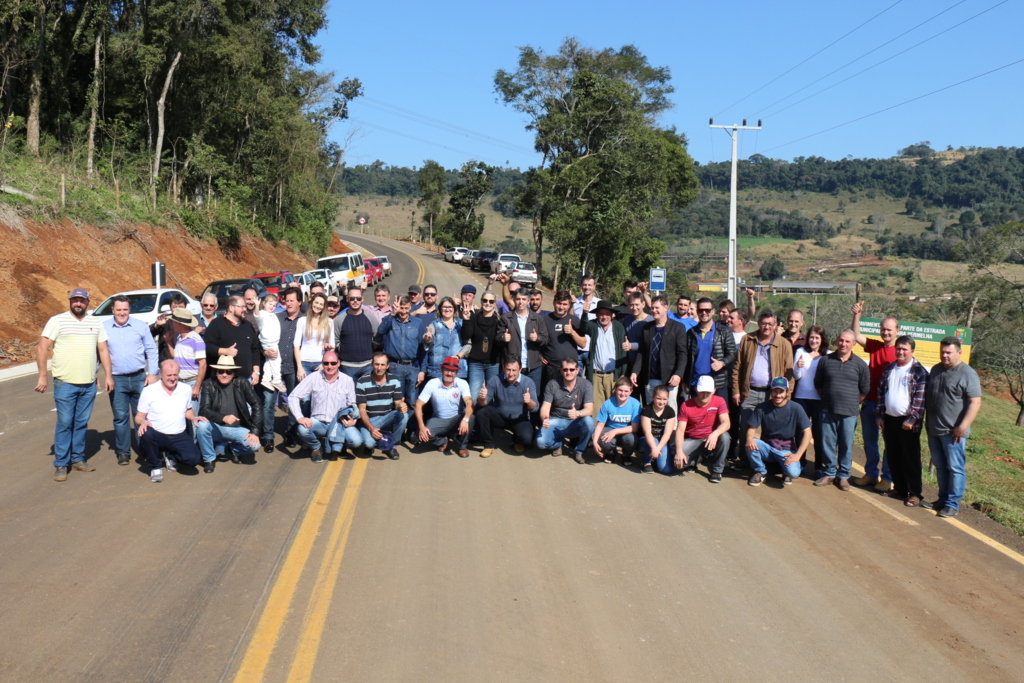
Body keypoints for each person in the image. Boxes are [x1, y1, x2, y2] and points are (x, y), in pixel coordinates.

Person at [37, 288, 114, 481]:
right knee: (65, 423)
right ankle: (61, 464)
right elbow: (42, 347)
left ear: (88, 302)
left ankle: (78, 459)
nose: (78, 303)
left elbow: (103, 350)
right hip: (65, 383)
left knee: (81, 423)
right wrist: (42, 376)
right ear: (70, 301)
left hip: (88, 384)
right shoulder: (57, 321)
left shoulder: (95, 322)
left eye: (82, 300)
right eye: (75, 300)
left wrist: (108, 376)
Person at [923, 336, 982, 518]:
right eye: (942, 352)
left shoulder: (968, 374)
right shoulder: (936, 369)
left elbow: (975, 402)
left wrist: (962, 426)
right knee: (941, 466)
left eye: (949, 352)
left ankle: (952, 504)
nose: (945, 355)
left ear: (959, 352)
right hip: (934, 429)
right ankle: (942, 499)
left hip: (954, 432)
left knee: (955, 468)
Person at [731, 309, 793, 467]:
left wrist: (787, 396)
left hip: (772, 395)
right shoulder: (747, 339)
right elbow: (737, 367)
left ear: (776, 325)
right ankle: (745, 461)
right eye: (764, 323)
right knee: (746, 428)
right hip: (750, 392)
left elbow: (789, 373)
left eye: (770, 324)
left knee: (771, 430)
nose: (767, 327)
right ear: (758, 323)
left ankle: (769, 462)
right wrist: (736, 391)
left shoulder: (784, 344)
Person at [103, 294, 159, 466]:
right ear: (112, 310)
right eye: (118, 309)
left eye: (125, 309)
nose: (122, 313)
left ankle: (144, 448)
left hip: (139, 378)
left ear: (129, 310)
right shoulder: (103, 328)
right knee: (120, 417)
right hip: (117, 380)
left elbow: (151, 350)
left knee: (142, 415)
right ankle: (123, 452)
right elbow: (99, 354)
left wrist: (152, 373)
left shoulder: (140, 326)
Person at [874, 336, 929, 508]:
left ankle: (914, 494)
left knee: (910, 459)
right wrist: (880, 415)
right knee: (893, 456)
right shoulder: (890, 368)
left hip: (908, 423)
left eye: (904, 349)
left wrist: (912, 419)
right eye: (898, 348)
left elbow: (920, 400)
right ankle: (900, 489)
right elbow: (881, 392)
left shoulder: (919, 371)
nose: (901, 352)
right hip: (889, 420)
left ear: (912, 350)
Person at [813, 329, 870, 491]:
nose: (843, 344)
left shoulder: (860, 365)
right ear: (837, 341)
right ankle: (830, 472)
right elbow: (818, 384)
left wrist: (850, 402)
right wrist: (831, 399)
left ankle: (844, 476)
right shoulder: (825, 361)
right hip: (827, 410)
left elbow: (864, 391)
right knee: (828, 443)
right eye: (841, 340)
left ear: (853, 344)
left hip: (849, 413)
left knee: (846, 444)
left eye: (847, 341)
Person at [851, 302, 898, 492]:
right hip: (871, 402)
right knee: (870, 441)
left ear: (897, 330)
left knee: (889, 442)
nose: (885, 333)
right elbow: (856, 336)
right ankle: (871, 474)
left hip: (889, 406)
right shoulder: (876, 347)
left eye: (889, 330)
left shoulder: (900, 351)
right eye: (883, 329)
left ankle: (887, 478)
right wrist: (857, 315)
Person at [135, 359, 203, 482]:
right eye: (169, 375)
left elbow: (188, 410)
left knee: (193, 460)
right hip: (157, 434)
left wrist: (194, 417)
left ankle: (170, 456)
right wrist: (143, 422)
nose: (172, 378)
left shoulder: (185, 389)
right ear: (160, 373)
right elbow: (138, 417)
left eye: (175, 375)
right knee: (146, 433)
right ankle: (155, 466)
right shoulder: (149, 391)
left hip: (178, 434)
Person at [288, 350, 361, 462]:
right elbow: (293, 396)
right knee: (302, 429)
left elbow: (352, 404)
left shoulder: (347, 380)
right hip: (319, 422)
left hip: (339, 424)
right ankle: (316, 448)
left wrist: (354, 421)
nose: (329, 366)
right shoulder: (314, 377)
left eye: (333, 363)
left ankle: (339, 444)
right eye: (326, 363)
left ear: (338, 363)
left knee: (356, 441)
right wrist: (299, 417)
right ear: (322, 364)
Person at [196, 355, 264, 472]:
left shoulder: (242, 383)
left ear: (234, 374)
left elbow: (257, 404)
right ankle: (209, 459)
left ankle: (234, 450)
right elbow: (204, 409)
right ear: (216, 372)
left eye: (229, 372)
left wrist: (255, 431)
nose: (224, 375)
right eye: (221, 371)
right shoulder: (208, 384)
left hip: (237, 428)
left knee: (255, 445)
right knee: (202, 426)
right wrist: (222, 418)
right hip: (216, 427)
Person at [374, 296, 427, 441]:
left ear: (410, 308)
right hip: (395, 367)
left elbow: (424, 348)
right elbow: (380, 331)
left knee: (411, 401)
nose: (403, 311)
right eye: (401, 308)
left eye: (406, 308)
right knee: (396, 400)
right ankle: (396, 429)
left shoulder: (418, 323)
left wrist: (422, 370)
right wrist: (392, 313)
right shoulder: (390, 320)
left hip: (413, 367)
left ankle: (410, 429)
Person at [745, 377, 811, 487]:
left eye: (781, 391)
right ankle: (761, 471)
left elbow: (808, 433)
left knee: (794, 473)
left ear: (787, 393)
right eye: (775, 391)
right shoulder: (762, 407)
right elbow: (752, 429)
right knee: (751, 444)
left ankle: (786, 472)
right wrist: (749, 439)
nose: (778, 395)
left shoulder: (796, 408)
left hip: (786, 450)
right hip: (767, 447)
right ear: (771, 391)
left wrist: (798, 455)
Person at [631, 295, 688, 408]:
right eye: (652, 308)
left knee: (670, 411)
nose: (654, 310)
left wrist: (678, 374)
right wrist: (635, 371)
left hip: (669, 378)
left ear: (666, 307)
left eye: (657, 308)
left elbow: (682, 354)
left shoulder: (678, 327)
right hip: (650, 379)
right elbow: (642, 352)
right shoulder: (647, 328)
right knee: (651, 411)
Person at [672, 375, 731, 481]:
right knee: (678, 465)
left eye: (708, 392)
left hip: (711, 439)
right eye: (702, 391)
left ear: (714, 390)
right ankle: (698, 458)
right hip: (694, 439)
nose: (705, 395)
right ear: (696, 390)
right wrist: (679, 451)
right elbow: (680, 431)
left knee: (725, 437)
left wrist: (715, 434)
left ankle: (717, 470)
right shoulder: (686, 405)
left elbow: (726, 423)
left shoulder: (719, 401)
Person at [536, 357, 596, 464]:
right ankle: (559, 443)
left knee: (589, 422)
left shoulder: (586, 384)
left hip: (574, 422)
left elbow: (589, 409)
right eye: (565, 369)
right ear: (560, 370)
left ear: (578, 370)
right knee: (540, 443)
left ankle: (579, 451)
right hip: (556, 421)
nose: (568, 372)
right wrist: (544, 418)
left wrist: (578, 413)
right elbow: (545, 406)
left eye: (572, 369)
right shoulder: (552, 384)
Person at [476, 357, 537, 457]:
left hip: (519, 419)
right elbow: (483, 403)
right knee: (481, 412)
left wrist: (529, 401)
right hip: (500, 416)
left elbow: (535, 408)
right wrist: (482, 398)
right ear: (504, 368)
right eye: (508, 369)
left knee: (526, 438)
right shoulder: (495, 379)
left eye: (514, 370)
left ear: (520, 370)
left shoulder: (528, 382)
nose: (511, 373)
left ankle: (517, 441)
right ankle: (488, 445)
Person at [415, 356, 474, 457]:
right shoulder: (432, 383)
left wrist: (466, 419)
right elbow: (418, 405)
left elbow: (469, 403)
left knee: (471, 418)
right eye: (447, 370)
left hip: (457, 417)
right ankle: (442, 441)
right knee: (425, 436)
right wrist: (421, 426)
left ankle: (462, 446)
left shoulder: (462, 383)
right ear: (442, 370)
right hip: (439, 419)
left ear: (456, 373)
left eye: (453, 371)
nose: (449, 373)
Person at [355, 352, 409, 460]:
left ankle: (392, 446)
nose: (379, 368)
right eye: (377, 364)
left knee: (404, 416)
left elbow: (397, 402)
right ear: (372, 365)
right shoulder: (362, 381)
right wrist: (371, 428)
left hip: (387, 417)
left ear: (388, 366)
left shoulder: (394, 380)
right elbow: (362, 410)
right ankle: (372, 441)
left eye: (382, 365)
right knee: (369, 443)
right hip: (369, 419)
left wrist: (401, 406)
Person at [575, 299, 628, 408]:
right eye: (601, 314)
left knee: (614, 406)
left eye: (607, 314)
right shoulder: (593, 325)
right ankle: (597, 426)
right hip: (596, 375)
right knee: (596, 409)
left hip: (613, 375)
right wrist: (585, 313)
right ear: (597, 315)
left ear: (612, 315)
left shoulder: (618, 326)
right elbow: (583, 327)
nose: (604, 317)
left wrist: (622, 372)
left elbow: (623, 351)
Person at [499, 287, 550, 394]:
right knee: (512, 395)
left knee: (532, 397)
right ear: (513, 299)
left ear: (528, 301)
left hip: (533, 367)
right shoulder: (506, 318)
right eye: (518, 299)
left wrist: (537, 339)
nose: (520, 302)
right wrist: (503, 338)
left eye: (523, 299)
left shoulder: (537, 319)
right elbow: (497, 338)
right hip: (513, 367)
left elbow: (545, 339)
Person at [792, 325, 828, 477]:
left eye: (817, 338)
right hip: (801, 398)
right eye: (812, 337)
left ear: (822, 340)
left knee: (819, 434)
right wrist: (798, 367)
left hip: (819, 400)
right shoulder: (800, 352)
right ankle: (801, 463)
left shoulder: (828, 355)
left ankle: (819, 466)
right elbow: (796, 376)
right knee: (801, 432)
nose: (814, 340)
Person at [203, 295, 261, 388]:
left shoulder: (247, 325)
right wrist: (224, 351)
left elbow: (255, 349)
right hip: (223, 381)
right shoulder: (216, 324)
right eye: (242, 307)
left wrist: (256, 371)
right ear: (231, 308)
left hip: (247, 380)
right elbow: (207, 347)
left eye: (245, 307)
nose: (245, 309)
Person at [686, 297, 736, 401]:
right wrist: (685, 381)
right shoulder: (691, 333)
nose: (704, 313)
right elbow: (686, 358)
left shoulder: (724, 331)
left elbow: (732, 354)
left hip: (718, 384)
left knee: (720, 417)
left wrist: (722, 363)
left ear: (713, 312)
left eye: (707, 310)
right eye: (701, 310)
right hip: (696, 384)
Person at [272, 287, 303, 447]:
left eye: (292, 300)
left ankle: (291, 433)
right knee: (269, 402)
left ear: (300, 302)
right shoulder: (277, 318)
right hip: (275, 367)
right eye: (287, 300)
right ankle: (267, 435)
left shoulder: (304, 320)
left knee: (292, 401)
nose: (288, 304)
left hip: (293, 368)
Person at [540, 290, 587, 392]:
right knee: (550, 397)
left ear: (569, 305)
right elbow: (539, 340)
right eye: (559, 303)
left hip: (570, 369)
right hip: (551, 368)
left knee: (570, 397)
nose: (561, 307)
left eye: (565, 304)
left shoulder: (574, 320)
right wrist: (540, 354)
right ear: (554, 302)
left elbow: (583, 344)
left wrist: (572, 332)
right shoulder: (544, 319)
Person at [461, 291, 503, 401]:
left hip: (493, 363)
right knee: (474, 397)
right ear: (481, 301)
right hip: (476, 363)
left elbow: (500, 344)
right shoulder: (474, 317)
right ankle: (473, 417)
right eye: (485, 300)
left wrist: (504, 339)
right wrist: (466, 320)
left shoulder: (500, 320)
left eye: (491, 301)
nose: (488, 303)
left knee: (492, 397)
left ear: (494, 304)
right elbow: (466, 336)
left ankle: (487, 417)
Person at [332, 286, 379, 381]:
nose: (355, 301)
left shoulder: (371, 318)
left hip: (368, 366)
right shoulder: (339, 320)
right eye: (352, 298)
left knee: (366, 395)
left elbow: (378, 338)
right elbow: (335, 340)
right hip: (347, 367)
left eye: (358, 298)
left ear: (362, 299)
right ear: (347, 299)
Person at [591, 377, 641, 465]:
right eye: (620, 390)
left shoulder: (635, 404)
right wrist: (595, 441)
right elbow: (600, 424)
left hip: (626, 431)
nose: (623, 393)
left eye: (626, 391)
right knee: (604, 439)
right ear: (615, 389)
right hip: (609, 429)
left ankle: (626, 455)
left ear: (631, 391)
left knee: (632, 439)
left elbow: (635, 428)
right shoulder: (608, 403)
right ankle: (611, 452)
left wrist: (616, 431)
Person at [423, 296, 469, 381]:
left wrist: (458, 357)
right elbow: (427, 340)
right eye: (444, 307)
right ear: (440, 308)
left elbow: (468, 344)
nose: (447, 309)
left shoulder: (462, 324)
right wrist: (427, 338)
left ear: (454, 309)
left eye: (450, 307)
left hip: (458, 371)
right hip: (437, 371)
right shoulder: (434, 324)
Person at [170, 309, 207, 413]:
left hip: (191, 382)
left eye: (173, 322)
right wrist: (169, 342)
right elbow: (176, 356)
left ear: (179, 324)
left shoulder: (196, 340)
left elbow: (203, 364)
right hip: (180, 382)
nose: (172, 324)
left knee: (192, 417)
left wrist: (197, 386)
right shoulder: (180, 339)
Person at [295, 292, 335, 382]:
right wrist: (299, 367)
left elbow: (332, 346)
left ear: (324, 307)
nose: (318, 306)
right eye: (316, 303)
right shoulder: (302, 321)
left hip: (320, 363)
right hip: (304, 362)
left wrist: (324, 364)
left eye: (321, 304)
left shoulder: (329, 322)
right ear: (312, 302)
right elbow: (296, 346)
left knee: (319, 395)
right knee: (305, 395)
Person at [640, 385, 677, 475]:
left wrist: (658, 449)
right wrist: (654, 448)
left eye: (665, 399)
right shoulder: (647, 410)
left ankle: (656, 459)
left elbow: (667, 433)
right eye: (658, 398)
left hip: (662, 442)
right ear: (653, 397)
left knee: (666, 470)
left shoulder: (670, 411)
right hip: (647, 440)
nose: (661, 402)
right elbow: (647, 432)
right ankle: (646, 462)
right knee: (654, 441)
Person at [255, 294, 286, 395]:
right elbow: (257, 316)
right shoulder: (262, 314)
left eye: (274, 305)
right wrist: (256, 305)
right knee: (277, 360)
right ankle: (277, 380)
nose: (272, 306)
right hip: (268, 342)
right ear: (264, 303)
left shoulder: (273, 314)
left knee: (270, 361)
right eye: (270, 304)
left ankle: (266, 378)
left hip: (274, 341)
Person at [150, 292, 189, 362]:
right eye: (174, 307)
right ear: (170, 308)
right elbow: (148, 334)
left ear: (185, 307)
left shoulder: (190, 322)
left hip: (185, 361)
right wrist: (157, 325)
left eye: (180, 307)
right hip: (167, 361)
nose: (177, 310)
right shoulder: (165, 320)